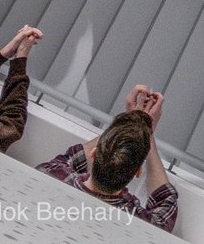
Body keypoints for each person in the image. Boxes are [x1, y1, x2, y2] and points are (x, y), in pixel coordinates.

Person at [37, 86, 178, 230]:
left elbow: (75, 155)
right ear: (138, 172)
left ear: (93, 154)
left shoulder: (49, 173)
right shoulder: (139, 223)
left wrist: (129, 124)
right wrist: (146, 132)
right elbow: (166, 202)